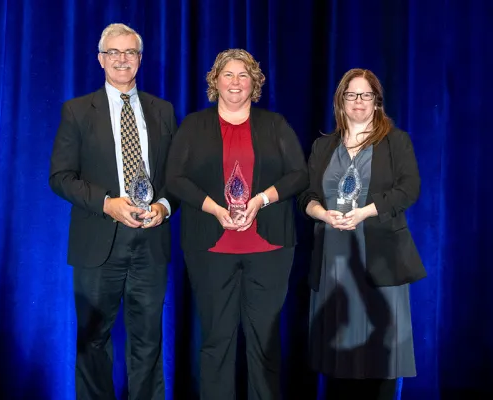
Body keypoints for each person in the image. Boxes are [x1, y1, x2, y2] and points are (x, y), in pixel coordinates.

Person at [165, 48, 308, 400]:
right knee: (216, 341)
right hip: (210, 249)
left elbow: (299, 175)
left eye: (243, 75)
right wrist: (215, 209)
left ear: (254, 83)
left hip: (270, 249)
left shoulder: (274, 124)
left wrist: (260, 201)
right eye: (227, 74)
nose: (235, 82)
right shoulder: (193, 126)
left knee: (265, 343)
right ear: (215, 81)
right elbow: (174, 178)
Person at [48, 23, 178, 400]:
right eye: (114, 53)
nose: (122, 59)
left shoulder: (163, 110)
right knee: (92, 341)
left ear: (140, 59)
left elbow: (177, 176)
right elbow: (60, 177)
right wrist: (107, 203)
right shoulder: (77, 111)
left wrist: (164, 206)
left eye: (130, 52)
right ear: (100, 59)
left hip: (151, 241)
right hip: (98, 240)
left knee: (148, 342)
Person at [297, 68, 427, 400]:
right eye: (351, 94)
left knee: (383, 359)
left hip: (382, 260)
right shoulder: (323, 146)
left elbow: (409, 189)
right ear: (340, 100)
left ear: (376, 102)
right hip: (334, 261)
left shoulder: (396, 142)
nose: (359, 101)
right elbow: (306, 196)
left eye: (366, 95)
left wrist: (366, 211)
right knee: (341, 362)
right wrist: (323, 214)